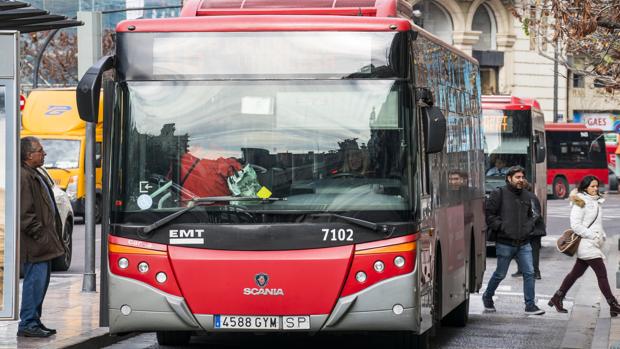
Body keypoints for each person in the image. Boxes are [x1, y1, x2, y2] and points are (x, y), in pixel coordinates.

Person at [548, 176, 620, 315]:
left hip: (593, 244)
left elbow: (597, 223)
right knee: (602, 274)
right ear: (585, 187)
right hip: (586, 245)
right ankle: (613, 304)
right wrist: (593, 235)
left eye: (596, 186)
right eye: (592, 186)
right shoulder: (580, 202)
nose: (595, 189)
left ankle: (557, 297)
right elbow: (575, 225)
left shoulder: (595, 201)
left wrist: (602, 235)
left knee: (575, 274)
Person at [18, 137, 65, 337]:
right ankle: (28, 323)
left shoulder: (34, 173)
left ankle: (34, 320)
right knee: (34, 282)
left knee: (40, 283)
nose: (44, 154)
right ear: (29, 155)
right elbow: (24, 215)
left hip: (41, 242)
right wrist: (40, 235)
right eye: (40, 150)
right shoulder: (24, 176)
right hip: (35, 244)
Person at [482, 166, 545, 315]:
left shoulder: (528, 196)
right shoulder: (499, 193)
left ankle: (530, 305)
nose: (520, 180)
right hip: (505, 242)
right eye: (517, 177)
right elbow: (489, 215)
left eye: (522, 177)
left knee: (529, 273)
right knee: (500, 274)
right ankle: (487, 297)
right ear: (509, 178)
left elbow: (535, 215)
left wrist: (528, 228)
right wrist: (502, 227)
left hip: (524, 243)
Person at [511, 179, 545, 279]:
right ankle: (522, 269)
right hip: (528, 229)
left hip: (534, 230)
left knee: (533, 252)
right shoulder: (522, 197)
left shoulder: (530, 196)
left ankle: (536, 272)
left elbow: (536, 214)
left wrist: (526, 225)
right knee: (518, 249)